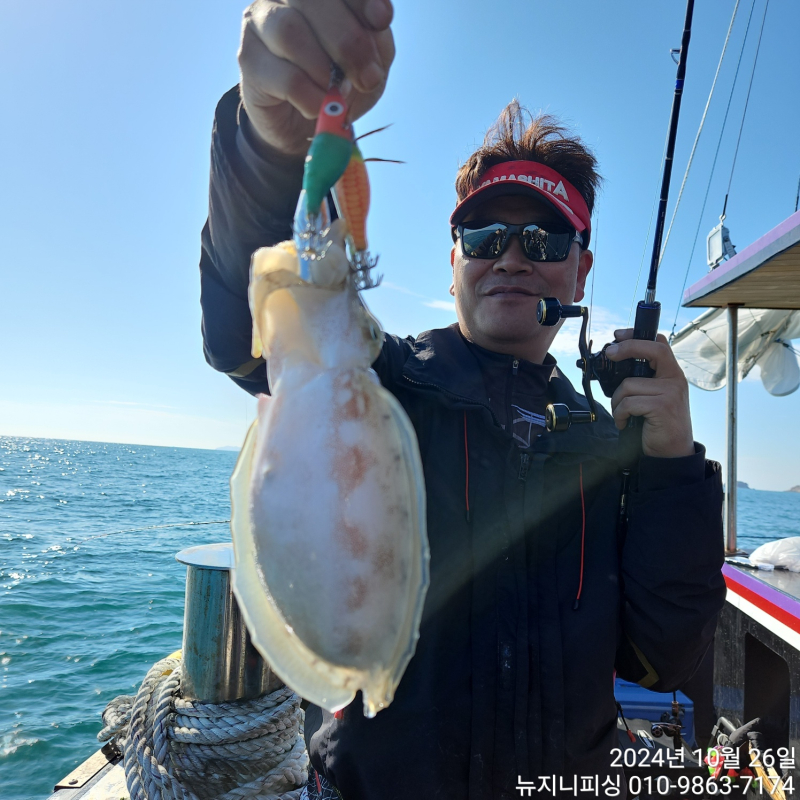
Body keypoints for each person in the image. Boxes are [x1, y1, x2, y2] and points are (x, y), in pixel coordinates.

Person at [199, 2, 726, 797]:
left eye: (544, 241)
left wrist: (673, 468)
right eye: (483, 238)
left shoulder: (609, 445)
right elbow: (250, 326)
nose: (510, 258)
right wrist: (268, 141)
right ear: (453, 264)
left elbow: (664, 656)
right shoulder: (382, 379)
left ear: (580, 273)